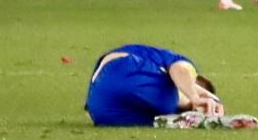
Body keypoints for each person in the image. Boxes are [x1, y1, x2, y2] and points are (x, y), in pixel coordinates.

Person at [85, 43, 223, 127]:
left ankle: (187, 115)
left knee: (159, 115)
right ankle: (193, 109)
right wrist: (195, 97)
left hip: (101, 109)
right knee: (169, 97)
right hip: (126, 69)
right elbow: (179, 70)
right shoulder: (179, 63)